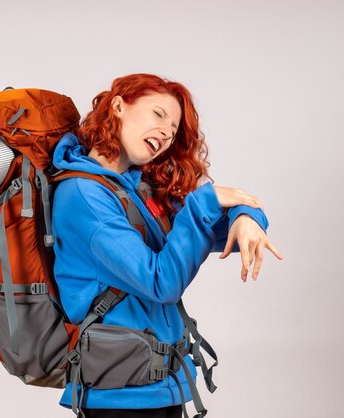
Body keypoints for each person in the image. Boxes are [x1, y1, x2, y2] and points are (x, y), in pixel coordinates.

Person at [51, 74, 283, 418]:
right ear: (118, 106)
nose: (166, 133)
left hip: (160, 386)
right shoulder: (84, 196)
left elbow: (215, 223)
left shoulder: (135, 189)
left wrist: (247, 217)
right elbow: (162, 282)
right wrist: (207, 202)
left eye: (173, 130)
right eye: (158, 115)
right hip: (119, 399)